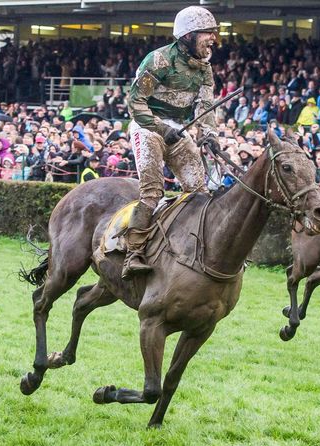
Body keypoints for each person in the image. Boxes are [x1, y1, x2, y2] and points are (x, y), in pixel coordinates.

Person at [123, 5, 220, 280]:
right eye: (206, 34)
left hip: (180, 131)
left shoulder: (205, 66)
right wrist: (161, 128)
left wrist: (209, 134)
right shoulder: (159, 60)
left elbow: (204, 104)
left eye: (213, 33)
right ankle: (134, 253)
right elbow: (135, 101)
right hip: (148, 127)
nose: (212, 38)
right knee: (152, 193)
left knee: (198, 192)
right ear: (188, 35)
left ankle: (192, 248)